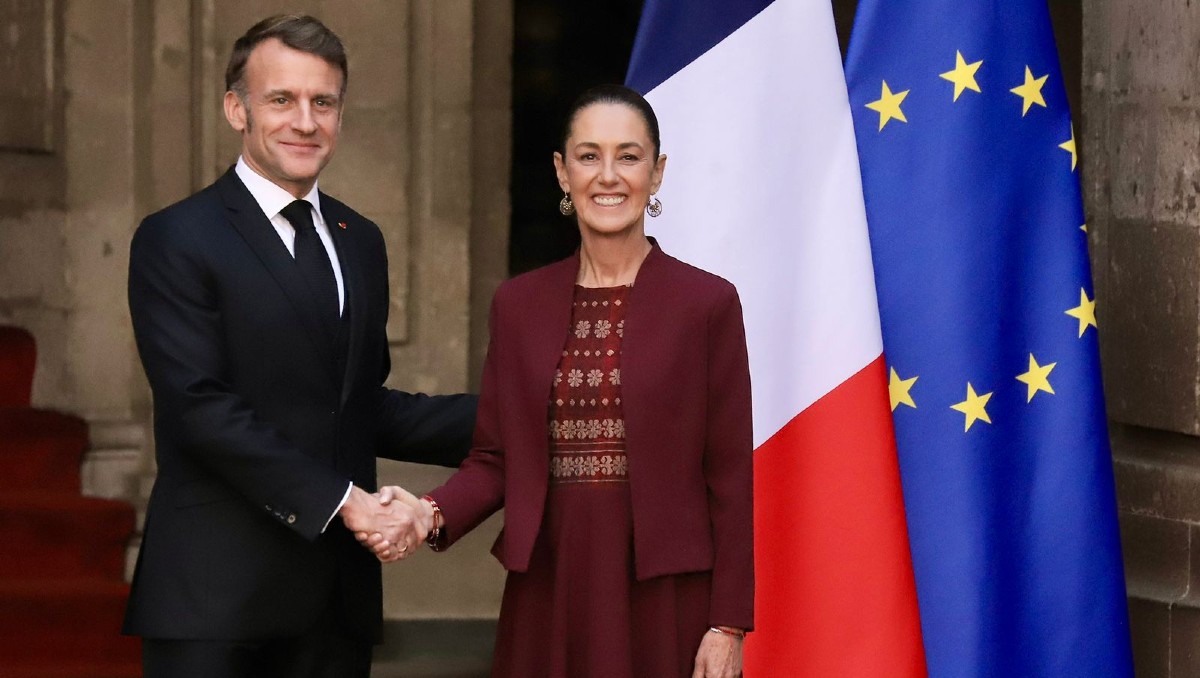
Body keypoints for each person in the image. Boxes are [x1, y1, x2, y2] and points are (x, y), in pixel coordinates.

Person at [123, 15, 476, 678]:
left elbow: (360, 405)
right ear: (237, 109)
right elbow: (200, 409)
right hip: (215, 602)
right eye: (281, 100)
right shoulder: (177, 237)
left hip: (332, 607)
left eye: (324, 102)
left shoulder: (360, 240)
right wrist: (348, 501)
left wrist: (528, 411)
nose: (305, 122)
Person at [372, 84, 754, 678]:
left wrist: (726, 624)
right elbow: (496, 456)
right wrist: (429, 513)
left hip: (666, 597)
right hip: (550, 585)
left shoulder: (707, 303)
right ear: (561, 171)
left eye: (629, 157)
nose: (608, 176)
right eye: (588, 155)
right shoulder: (519, 304)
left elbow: (730, 476)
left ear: (657, 174)